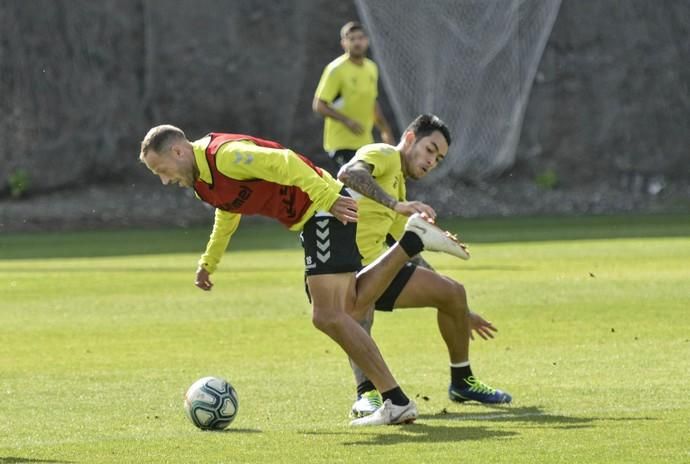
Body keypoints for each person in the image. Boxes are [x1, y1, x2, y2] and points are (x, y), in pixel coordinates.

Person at [138, 125, 470, 426]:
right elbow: (228, 210)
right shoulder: (202, 182)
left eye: (161, 170)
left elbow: (284, 161)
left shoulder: (223, 155)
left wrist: (329, 198)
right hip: (317, 214)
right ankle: (411, 243)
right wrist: (209, 261)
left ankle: (395, 399)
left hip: (322, 210)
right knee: (351, 307)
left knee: (328, 315)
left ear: (178, 151)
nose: (164, 180)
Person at [337, 114, 512, 420]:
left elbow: (407, 249)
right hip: (336, 272)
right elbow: (347, 172)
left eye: (439, 158)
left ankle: (462, 382)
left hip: (373, 268)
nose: (433, 161)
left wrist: (462, 310)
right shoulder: (385, 154)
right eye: (430, 149)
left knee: (453, 292)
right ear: (408, 140)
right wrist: (395, 205)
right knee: (360, 309)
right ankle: (367, 395)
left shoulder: (398, 188)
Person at [313, 21, 394, 176]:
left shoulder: (371, 68)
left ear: (367, 40)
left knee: (369, 190)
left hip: (365, 144)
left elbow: (372, 102)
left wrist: (385, 131)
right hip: (341, 144)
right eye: (352, 39)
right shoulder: (335, 70)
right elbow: (319, 105)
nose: (357, 42)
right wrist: (346, 120)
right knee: (356, 186)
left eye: (360, 38)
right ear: (344, 43)